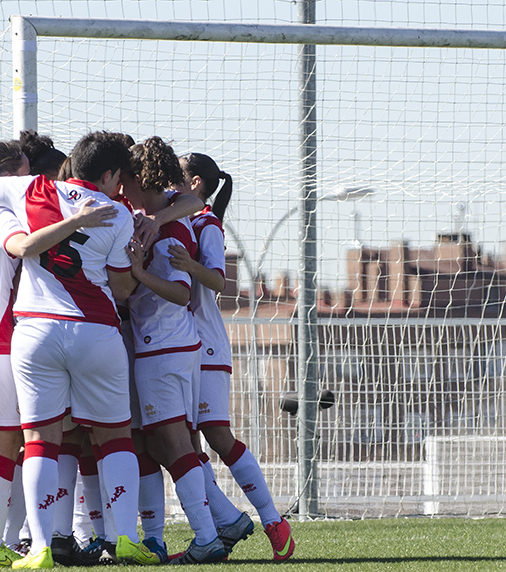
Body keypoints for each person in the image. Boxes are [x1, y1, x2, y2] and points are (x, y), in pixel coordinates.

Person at [0, 131, 161, 569]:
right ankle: (127, 538)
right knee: (114, 439)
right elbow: (123, 288)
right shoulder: (118, 214)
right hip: (96, 333)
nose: (120, 187)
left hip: (35, 332)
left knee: (39, 443)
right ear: (107, 175)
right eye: (118, 179)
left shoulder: (30, 188)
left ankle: (40, 547)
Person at [0, 139, 118, 568]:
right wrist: (78, 221)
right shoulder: (2, 216)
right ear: (11, 175)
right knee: (7, 446)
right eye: (27, 172)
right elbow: (26, 248)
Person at [169, 152, 295, 562]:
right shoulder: (177, 220)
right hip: (179, 345)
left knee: (217, 436)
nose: (170, 182)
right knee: (183, 444)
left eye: (179, 176)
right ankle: (221, 525)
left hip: (205, 346)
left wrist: (188, 264)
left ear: (197, 184)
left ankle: (273, 520)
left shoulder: (207, 225)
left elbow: (219, 282)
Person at [120, 136, 227, 565]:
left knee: (176, 445)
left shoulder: (166, 228)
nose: (122, 189)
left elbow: (183, 292)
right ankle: (220, 523)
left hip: (165, 349)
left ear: (137, 178)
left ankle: (207, 536)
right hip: (169, 348)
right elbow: (186, 203)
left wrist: (138, 274)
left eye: (126, 179)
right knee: (164, 445)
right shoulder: (157, 216)